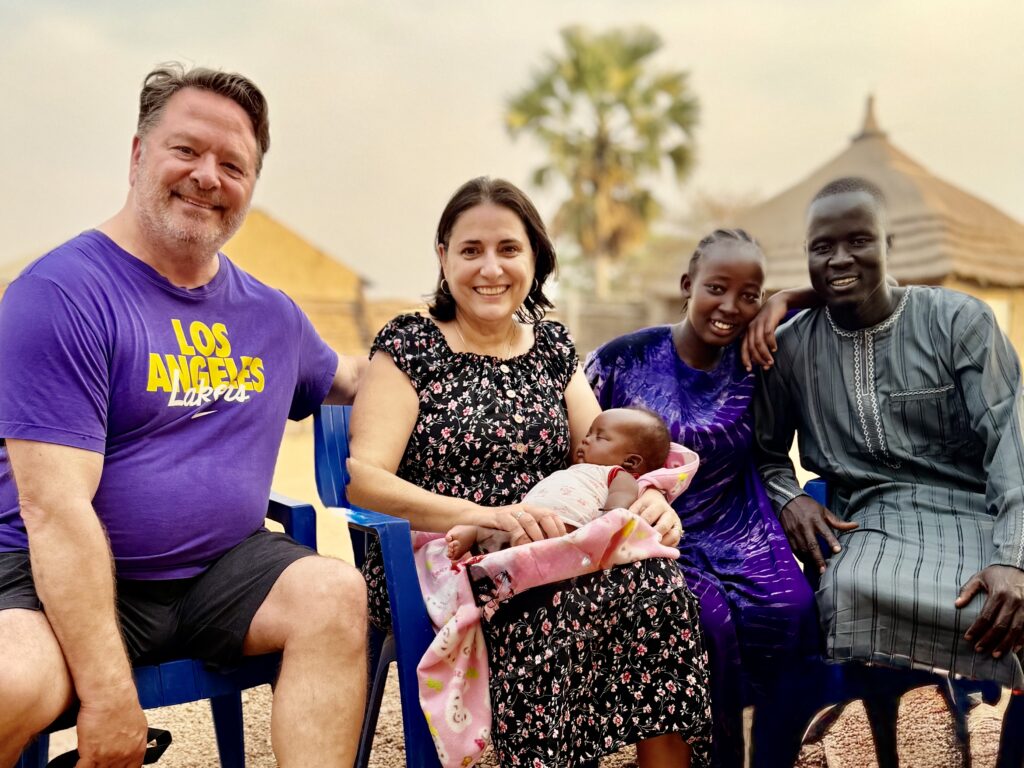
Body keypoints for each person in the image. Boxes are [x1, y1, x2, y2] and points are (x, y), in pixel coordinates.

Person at [0, 63, 368, 767]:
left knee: (332, 593)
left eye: (234, 164)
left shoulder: (271, 315)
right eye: (187, 150)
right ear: (138, 154)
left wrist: (462, 354)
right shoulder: (61, 294)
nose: (208, 176)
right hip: (56, 578)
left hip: (219, 574)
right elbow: (54, 511)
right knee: (11, 681)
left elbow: (347, 378)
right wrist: (109, 697)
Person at [347, 176, 712, 768]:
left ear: (535, 257)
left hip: (549, 543)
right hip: (443, 552)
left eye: (508, 249)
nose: (490, 268)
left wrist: (648, 503)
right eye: (470, 250)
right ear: (443, 258)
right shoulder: (410, 344)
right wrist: (486, 516)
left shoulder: (550, 347)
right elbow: (365, 479)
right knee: (552, 608)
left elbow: (608, 458)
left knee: (660, 586)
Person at [754, 176, 1024, 755]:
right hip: (871, 518)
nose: (839, 258)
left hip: (980, 510)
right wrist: (791, 497)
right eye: (822, 247)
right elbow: (766, 453)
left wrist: (1011, 558)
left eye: (858, 241)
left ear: (888, 243)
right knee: (843, 590)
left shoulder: (958, 322)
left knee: (1014, 606)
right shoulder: (791, 348)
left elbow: (1011, 442)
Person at [585, 229, 820, 768]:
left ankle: (773, 756)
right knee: (704, 620)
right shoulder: (626, 357)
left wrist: (785, 299)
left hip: (739, 522)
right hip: (652, 528)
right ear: (687, 285)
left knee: (791, 609)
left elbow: (851, 286)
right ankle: (711, 756)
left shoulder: (755, 353)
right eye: (717, 288)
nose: (732, 307)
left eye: (749, 295)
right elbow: (580, 441)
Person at [446, 406, 672, 558]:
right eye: (589, 433)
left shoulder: (617, 474)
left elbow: (620, 500)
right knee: (505, 526)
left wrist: (608, 521)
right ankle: (476, 534)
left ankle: (489, 543)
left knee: (533, 540)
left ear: (631, 461)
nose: (585, 439)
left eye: (599, 437)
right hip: (526, 516)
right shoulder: (574, 470)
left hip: (564, 526)